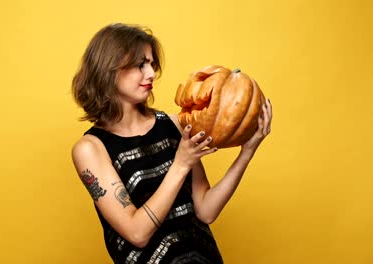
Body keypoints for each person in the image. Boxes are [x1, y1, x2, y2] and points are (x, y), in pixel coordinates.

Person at [71, 23, 272, 264]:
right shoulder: (90, 149)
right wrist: (181, 163)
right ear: (108, 68)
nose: (151, 74)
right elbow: (137, 233)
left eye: (152, 64)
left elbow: (206, 210)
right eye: (140, 65)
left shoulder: (175, 125)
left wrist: (247, 152)